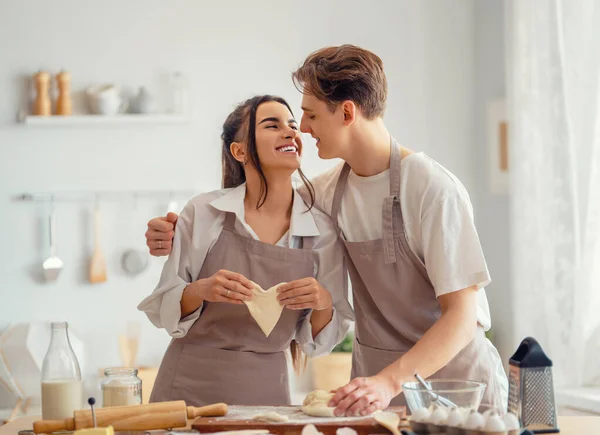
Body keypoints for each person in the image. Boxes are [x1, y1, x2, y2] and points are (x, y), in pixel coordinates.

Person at [145, 45, 508, 415]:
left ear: (347, 112)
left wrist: (389, 381)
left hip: (454, 387)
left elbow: (462, 318)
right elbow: (257, 205)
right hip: (372, 387)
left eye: (309, 115)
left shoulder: (433, 189)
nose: (302, 128)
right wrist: (171, 232)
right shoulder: (326, 193)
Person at [138, 95, 353, 407]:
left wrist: (322, 301)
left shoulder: (322, 231)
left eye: (292, 125)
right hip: (186, 392)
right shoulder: (204, 212)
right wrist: (201, 289)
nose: (290, 131)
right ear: (239, 151)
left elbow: (316, 343)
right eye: (272, 125)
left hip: (267, 395)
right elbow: (163, 308)